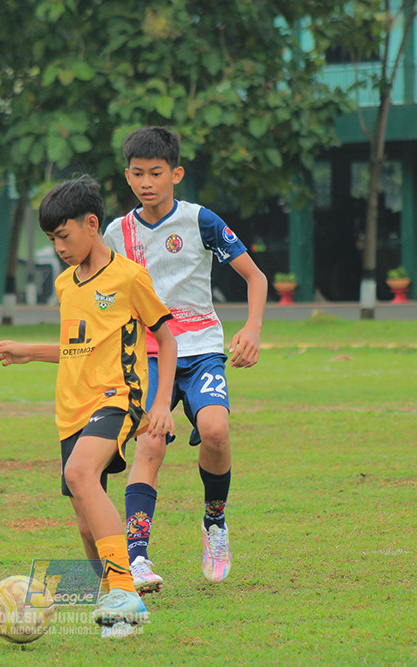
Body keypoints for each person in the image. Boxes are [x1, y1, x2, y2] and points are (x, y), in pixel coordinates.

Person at [0, 176, 177, 637]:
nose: (58, 247)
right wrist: (28, 351)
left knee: (79, 473)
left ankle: (125, 592)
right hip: (70, 409)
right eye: (52, 239)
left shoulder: (129, 278)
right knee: (85, 523)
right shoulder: (64, 284)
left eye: (63, 236)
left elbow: (167, 339)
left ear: (91, 224)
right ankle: (117, 607)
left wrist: (161, 404)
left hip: (118, 398)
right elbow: (77, 348)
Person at [102, 126, 267, 592]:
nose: (146, 182)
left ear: (175, 174)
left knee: (215, 431)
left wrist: (252, 328)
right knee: (150, 443)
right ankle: (137, 558)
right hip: (149, 354)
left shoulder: (200, 221)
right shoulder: (117, 234)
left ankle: (214, 522)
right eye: (137, 174)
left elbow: (255, 278)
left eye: (156, 173)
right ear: (128, 176)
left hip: (201, 349)